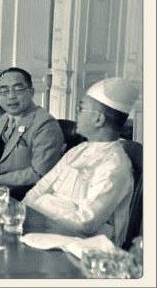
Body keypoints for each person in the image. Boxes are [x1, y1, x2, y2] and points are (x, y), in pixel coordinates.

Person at [23, 78, 139, 247]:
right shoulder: (79, 149)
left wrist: (39, 210)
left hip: (82, 246)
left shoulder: (115, 165)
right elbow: (42, 186)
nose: (77, 113)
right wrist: (22, 212)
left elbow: (85, 223)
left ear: (98, 119)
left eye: (81, 108)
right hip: (43, 229)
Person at [0, 67, 64, 199]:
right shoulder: (4, 119)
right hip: (4, 193)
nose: (11, 96)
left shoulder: (45, 125)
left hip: (30, 198)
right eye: (4, 91)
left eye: (18, 89)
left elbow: (38, 173)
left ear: (31, 92)